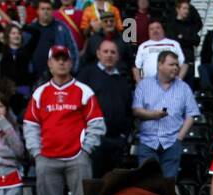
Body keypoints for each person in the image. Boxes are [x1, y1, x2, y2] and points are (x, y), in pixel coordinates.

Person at [23, 45, 105, 195]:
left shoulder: (84, 91)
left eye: (65, 59)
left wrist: (86, 150)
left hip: (77, 158)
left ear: (71, 62)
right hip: (47, 158)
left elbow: (96, 124)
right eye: (57, 59)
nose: (61, 62)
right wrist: (37, 153)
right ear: (49, 64)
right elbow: (30, 125)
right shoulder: (40, 93)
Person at [131, 50, 199, 179]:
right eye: (171, 64)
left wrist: (180, 137)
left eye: (176, 65)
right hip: (147, 143)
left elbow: (192, 113)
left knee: (168, 186)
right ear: (160, 65)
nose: (175, 68)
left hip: (172, 143)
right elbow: (136, 110)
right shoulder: (144, 85)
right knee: (147, 185)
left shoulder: (183, 87)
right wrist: (153, 115)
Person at [77, 37, 136, 179]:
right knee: (94, 184)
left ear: (117, 56)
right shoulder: (86, 74)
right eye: (105, 51)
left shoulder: (122, 79)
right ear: (98, 54)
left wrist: (124, 136)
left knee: (112, 187)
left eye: (113, 52)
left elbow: (128, 111)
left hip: (117, 141)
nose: (109, 55)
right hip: (93, 141)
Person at [25, 0, 79, 81]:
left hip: (58, 76)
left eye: (48, 9)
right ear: (37, 11)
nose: (45, 12)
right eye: (43, 9)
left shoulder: (62, 27)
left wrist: (73, 70)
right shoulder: (30, 29)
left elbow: (72, 49)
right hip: (34, 76)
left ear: (53, 11)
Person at [0, 21, 35, 112]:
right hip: (6, 92)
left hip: (23, 92)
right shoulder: (2, 50)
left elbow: (36, 33)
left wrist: (22, 25)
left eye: (19, 33)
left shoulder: (26, 51)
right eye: (13, 33)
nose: (16, 36)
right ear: (7, 35)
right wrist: (5, 23)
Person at [168, 0, 203, 82]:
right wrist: (187, 39)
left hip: (189, 61)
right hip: (175, 62)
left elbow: (197, 41)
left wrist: (182, 37)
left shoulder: (190, 26)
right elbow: (173, 42)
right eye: (184, 8)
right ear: (178, 9)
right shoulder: (172, 26)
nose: (186, 11)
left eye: (187, 9)